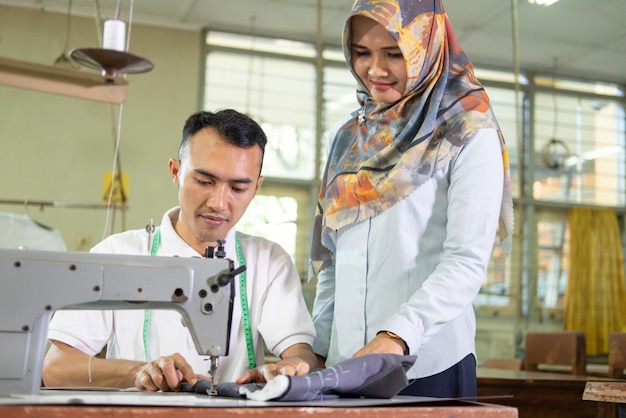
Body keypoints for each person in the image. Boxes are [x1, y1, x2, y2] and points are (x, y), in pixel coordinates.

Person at [309, 0, 514, 398]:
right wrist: (317, 349)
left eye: (394, 54)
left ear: (427, 49)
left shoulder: (468, 129)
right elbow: (334, 261)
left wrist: (396, 337)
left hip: (427, 364)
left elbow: (466, 260)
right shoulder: (348, 138)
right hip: (346, 365)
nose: (375, 70)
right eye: (362, 53)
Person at [42, 109, 318, 392]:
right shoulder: (117, 254)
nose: (219, 203)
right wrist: (138, 372)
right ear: (175, 171)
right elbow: (55, 368)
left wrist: (293, 365)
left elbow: (301, 353)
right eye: (205, 182)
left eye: (237, 188)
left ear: (256, 187)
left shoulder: (269, 262)